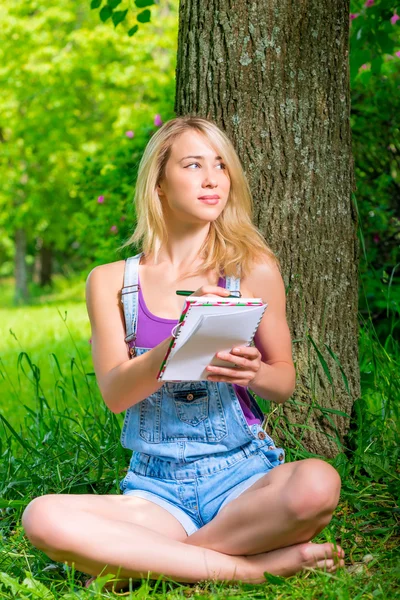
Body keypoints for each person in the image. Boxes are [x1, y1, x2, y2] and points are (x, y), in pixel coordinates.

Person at [22, 116, 344, 587]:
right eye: (193, 165)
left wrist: (251, 372)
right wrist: (178, 342)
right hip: (155, 491)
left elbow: (284, 381)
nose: (212, 179)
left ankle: (150, 565)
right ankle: (255, 570)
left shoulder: (252, 268)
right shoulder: (111, 282)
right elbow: (115, 393)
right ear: (158, 183)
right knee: (42, 517)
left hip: (243, 477)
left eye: (220, 165)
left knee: (318, 483)